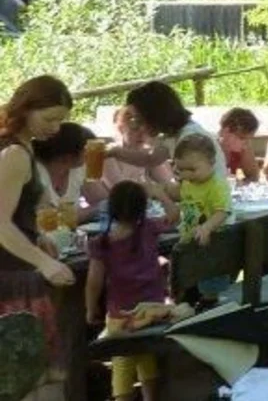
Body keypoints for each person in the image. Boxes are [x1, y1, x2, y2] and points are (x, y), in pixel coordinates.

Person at [0, 76, 77, 399]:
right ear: (25, 108)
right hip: (11, 280)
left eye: (61, 120)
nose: (56, 128)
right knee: (37, 385)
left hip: (16, 270)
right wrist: (44, 262)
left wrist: (37, 234)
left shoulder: (21, 146)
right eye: (49, 119)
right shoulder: (14, 154)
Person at [85, 180, 179, 401]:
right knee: (146, 358)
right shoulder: (149, 228)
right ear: (142, 208)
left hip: (122, 317)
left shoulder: (102, 243)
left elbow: (93, 282)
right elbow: (175, 215)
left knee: (122, 363)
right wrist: (160, 194)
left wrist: (90, 308)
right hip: (153, 312)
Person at [111, 81, 229, 179]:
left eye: (140, 119)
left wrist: (160, 193)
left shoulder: (190, 137)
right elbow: (150, 159)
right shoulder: (175, 135)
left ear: (154, 115)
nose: (140, 127)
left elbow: (195, 188)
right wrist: (113, 152)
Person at [169, 135, 231, 305]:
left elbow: (222, 211)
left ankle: (209, 303)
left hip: (210, 245)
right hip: (191, 242)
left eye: (192, 169)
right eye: (181, 170)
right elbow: (184, 200)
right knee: (186, 284)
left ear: (211, 163)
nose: (186, 174)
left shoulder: (216, 185)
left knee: (208, 287)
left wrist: (207, 227)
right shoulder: (189, 183)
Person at [32, 123, 109, 226]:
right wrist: (94, 210)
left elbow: (104, 201)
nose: (92, 154)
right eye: (88, 150)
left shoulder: (79, 169)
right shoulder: (34, 171)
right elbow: (51, 221)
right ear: (68, 155)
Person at [103, 107, 176, 189]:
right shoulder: (109, 153)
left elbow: (168, 182)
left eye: (147, 130)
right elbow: (120, 189)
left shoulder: (149, 154)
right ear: (121, 128)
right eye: (135, 129)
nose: (141, 135)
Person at [216, 108, 261, 183]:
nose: (246, 144)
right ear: (226, 131)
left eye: (249, 139)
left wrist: (241, 184)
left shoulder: (241, 149)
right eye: (242, 138)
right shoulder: (209, 150)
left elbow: (254, 177)